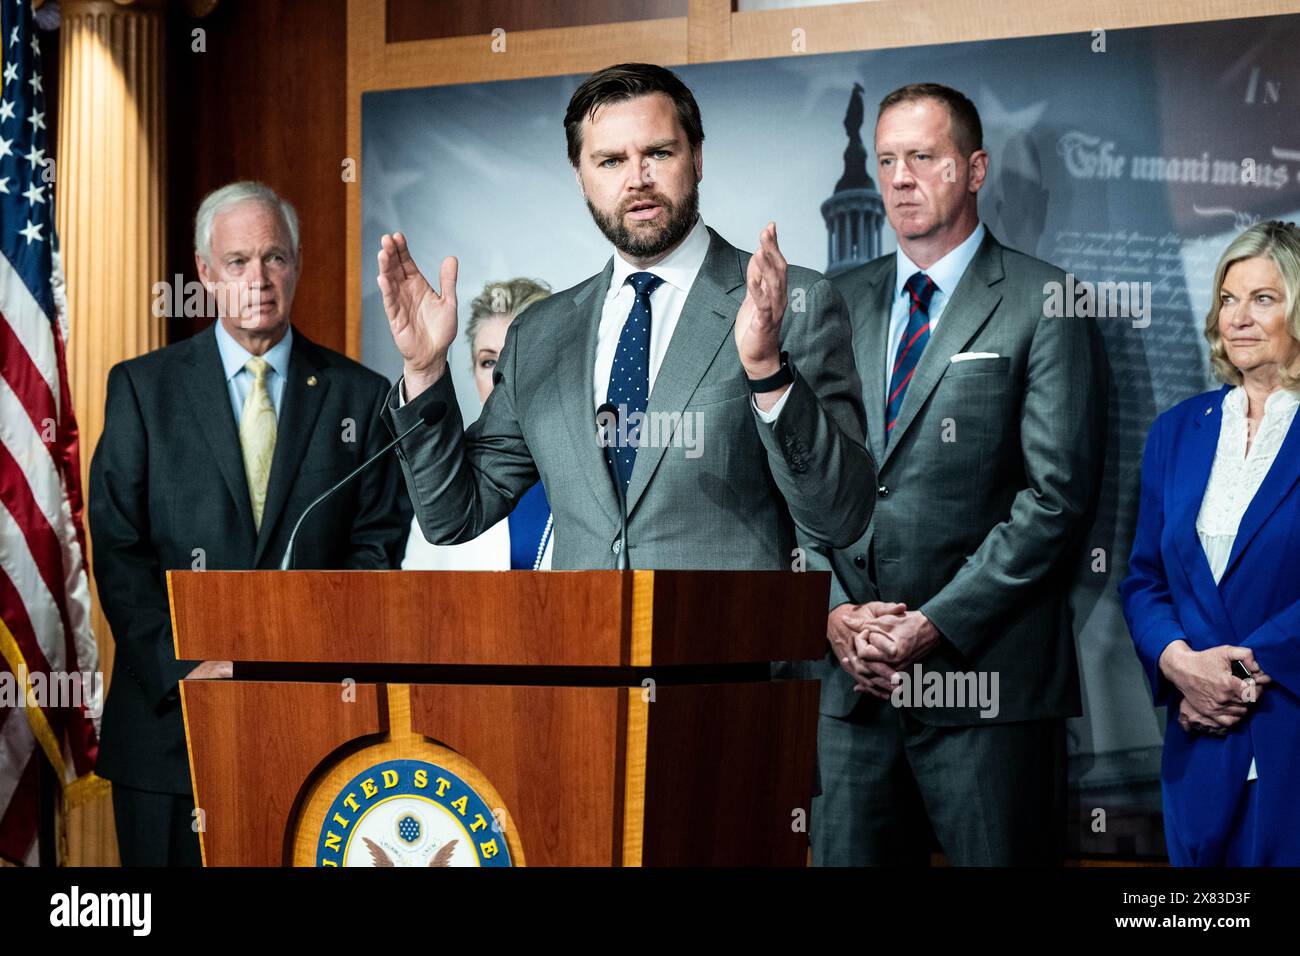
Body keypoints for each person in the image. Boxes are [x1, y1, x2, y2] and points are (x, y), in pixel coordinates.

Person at [377, 63, 875, 571]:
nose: (638, 180)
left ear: (697, 157)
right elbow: (453, 516)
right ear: (581, 178)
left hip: (726, 644)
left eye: (658, 153)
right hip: (584, 646)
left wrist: (768, 371)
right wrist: (424, 370)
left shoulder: (793, 303)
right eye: (611, 161)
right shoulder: (540, 334)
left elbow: (841, 517)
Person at [809, 83, 1108, 865]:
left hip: (989, 692)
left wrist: (930, 626)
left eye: (923, 157)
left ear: (974, 170)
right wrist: (838, 614)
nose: (900, 177)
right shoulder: (834, 302)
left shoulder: (1048, 302)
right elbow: (804, 480)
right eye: (886, 160)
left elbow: (1056, 500)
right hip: (854, 698)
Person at [88, 181, 409, 866]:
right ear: (204, 272)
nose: (258, 280)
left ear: (296, 265)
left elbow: (375, 550)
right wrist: (183, 668)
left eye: (274, 258)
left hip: (314, 728)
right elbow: (118, 549)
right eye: (237, 262)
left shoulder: (362, 396)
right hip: (168, 734)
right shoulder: (144, 389)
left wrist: (295, 661)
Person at [1120, 220, 1300, 866]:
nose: (1239, 318)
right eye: (1228, 299)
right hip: (1198, 744)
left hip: (1288, 733)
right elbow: (1143, 580)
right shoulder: (1176, 433)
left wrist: (1240, 676)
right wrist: (1179, 665)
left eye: (1264, 299)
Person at [401, 278, 555, 570]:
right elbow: (413, 600)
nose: (501, 376)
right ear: (472, 373)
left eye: (516, 357)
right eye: (488, 362)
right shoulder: (444, 483)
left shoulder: (591, 468)